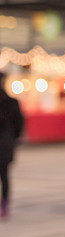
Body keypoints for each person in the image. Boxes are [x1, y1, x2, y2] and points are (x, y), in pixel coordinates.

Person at [0, 72, 24, 219]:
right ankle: (4, 204)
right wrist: (13, 139)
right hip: (5, 144)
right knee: (4, 176)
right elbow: (19, 125)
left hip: (5, 143)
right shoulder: (11, 102)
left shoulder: (10, 103)